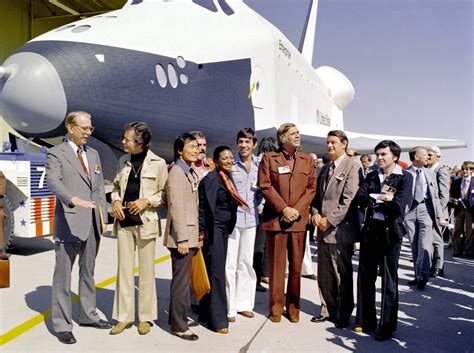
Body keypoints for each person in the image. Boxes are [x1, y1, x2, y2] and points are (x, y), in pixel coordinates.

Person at [46, 111, 112, 345]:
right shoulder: (56, 154)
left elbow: (99, 189)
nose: (88, 133)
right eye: (84, 128)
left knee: (88, 273)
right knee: (63, 277)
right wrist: (72, 199)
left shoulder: (93, 154)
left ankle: (88, 314)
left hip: (93, 223)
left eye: (90, 129)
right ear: (70, 127)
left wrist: (103, 217)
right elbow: (53, 181)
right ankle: (62, 325)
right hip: (69, 222)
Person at [109, 122, 167, 335]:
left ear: (140, 143)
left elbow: (163, 193)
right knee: (123, 271)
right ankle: (123, 317)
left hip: (146, 223)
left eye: (127, 139)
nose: (123, 141)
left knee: (146, 271)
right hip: (124, 222)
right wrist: (115, 201)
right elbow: (115, 187)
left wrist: (146, 202)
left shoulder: (158, 163)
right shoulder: (123, 161)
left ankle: (145, 317)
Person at [354, 140, 413, 341]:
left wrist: (376, 199)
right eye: (377, 154)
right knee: (365, 277)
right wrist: (379, 198)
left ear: (395, 156)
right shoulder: (371, 175)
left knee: (389, 280)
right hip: (370, 231)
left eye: (383, 154)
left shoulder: (404, 177)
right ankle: (364, 320)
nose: (379, 157)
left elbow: (398, 205)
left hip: (390, 234)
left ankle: (386, 326)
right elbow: (360, 199)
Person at [258, 123, 316, 323]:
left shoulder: (307, 160)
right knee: (276, 268)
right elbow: (265, 186)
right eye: (293, 133)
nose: (298, 136)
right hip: (276, 220)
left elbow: (311, 188)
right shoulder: (269, 158)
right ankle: (275, 309)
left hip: (297, 221)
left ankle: (294, 308)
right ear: (283, 138)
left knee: (296, 268)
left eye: (298, 132)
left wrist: (295, 210)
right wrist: (283, 208)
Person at [311, 130, 360, 328]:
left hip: (340, 231)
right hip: (322, 228)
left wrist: (329, 221)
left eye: (333, 142)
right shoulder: (325, 168)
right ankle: (327, 309)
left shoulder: (353, 167)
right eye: (327, 143)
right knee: (324, 273)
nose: (329, 146)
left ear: (344, 144)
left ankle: (343, 313)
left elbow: (349, 201)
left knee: (342, 275)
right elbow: (317, 198)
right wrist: (315, 214)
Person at [198, 146, 246, 334]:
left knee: (215, 269)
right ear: (216, 160)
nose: (228, 160)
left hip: (224, 228)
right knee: (217, 272)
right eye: (224, 158)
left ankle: (206, 312)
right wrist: (202, 233)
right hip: (214, 229)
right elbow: (203, 208)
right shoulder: (211, 179)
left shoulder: (226, 176)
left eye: (230, 157)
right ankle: (218, 320)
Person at [163, 133, 201, 341]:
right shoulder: (177, 172)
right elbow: (176, 207)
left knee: (181, 280)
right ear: (180, 150)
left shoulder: (188, 171)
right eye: (191, 147)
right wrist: (183, 240)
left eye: (197, 147)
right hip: (182, 237)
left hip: (188, 234)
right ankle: (179, 326)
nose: (196, 150)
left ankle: (177, 318)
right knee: (181, 283)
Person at [226, 128, 262, 322]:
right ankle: (230, 307)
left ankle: (244, 304)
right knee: (230, 264)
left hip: (251, 222)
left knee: (247, 263)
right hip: (234, 220)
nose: (244, 145)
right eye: (241, 141)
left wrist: (262, 205)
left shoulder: (260, 165)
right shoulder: (231, 164)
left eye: (248, 142)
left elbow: (263, 190)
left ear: (254, 144)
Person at [404, 146, 444, 289]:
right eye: (425, 154)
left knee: (425, 245)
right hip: (409, 212)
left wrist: (440, 215)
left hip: (425, 210)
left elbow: (435, 196)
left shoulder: (430, 173)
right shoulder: (405, 173)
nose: (428, 157)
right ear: (416, 157)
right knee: (414, 246)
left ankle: (423, 277)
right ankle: (417, 275)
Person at [254, 136, 279, 291]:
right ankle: (258, 277)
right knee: (259, 246)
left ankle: (263, 273)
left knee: (263, 244)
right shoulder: (263, 163)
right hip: (261, 209)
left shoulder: (259, 161)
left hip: (263, 208)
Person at [426, 146, 450, 276]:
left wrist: (438, 213)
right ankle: (432, 265)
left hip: (438, 212)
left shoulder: (441, 171)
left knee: (436, 240)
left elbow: (444, 195)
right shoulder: (428, 170)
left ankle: (438, 267)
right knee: (430, 240)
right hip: (429, 211)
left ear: (437, 156)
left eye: (430, 155)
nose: (427, 157)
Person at [449, 161, 474, 257]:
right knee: (457, 229)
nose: (464, 171)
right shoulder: (457, 181)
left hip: (470, 209)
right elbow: (452, 195)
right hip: (459, 208)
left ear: (471, 170)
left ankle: (469, 249)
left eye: (466, 169)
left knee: (470, 230)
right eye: (463, 169)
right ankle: (457, 249)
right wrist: (454, 200)